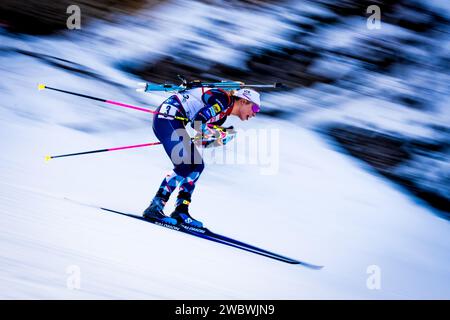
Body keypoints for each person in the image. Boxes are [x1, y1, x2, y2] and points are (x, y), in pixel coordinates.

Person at [142, 86, 261, 228]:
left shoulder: (221, 116)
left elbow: (199, 141)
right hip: (167, 118)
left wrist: (219, 139)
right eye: (255, 109)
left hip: (175, 121)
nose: (254, 114)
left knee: (197, 165)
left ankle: (181, 211)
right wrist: (217, 133)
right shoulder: (223, 100)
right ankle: (155, 206)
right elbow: (197, 122)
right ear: (243, 101)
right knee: (185, 163)